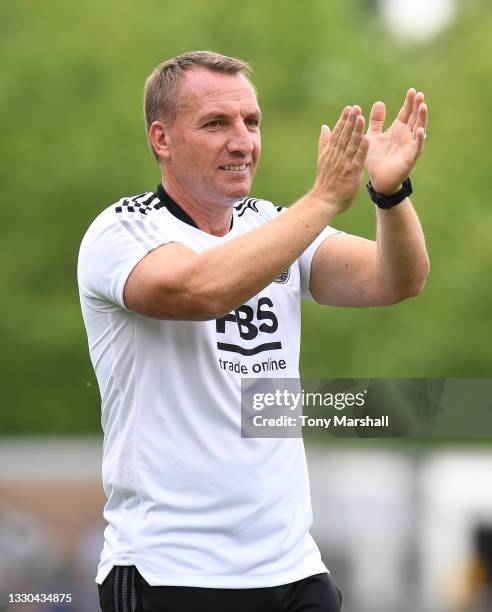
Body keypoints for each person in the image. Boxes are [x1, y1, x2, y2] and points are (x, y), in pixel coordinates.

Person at [77, 50, 429, 612]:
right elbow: (200, 289)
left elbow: (397, 280)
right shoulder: (121, 232)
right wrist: (321, 202)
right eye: (216, 123)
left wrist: (389, 196)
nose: (242, 140)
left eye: (251, 122)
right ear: (162, 139)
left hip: (293, 569)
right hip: (172, 572)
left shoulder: (273, 224)